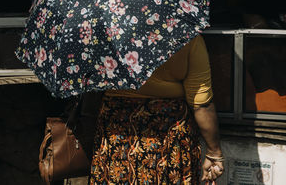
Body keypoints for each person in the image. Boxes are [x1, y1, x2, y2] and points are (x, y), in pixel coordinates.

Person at [89, 34, 224, 184]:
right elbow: (201, 104)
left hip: (116, 132)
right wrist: (214, 152)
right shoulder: (185, 35)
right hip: (168, 133)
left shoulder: (102, 35)